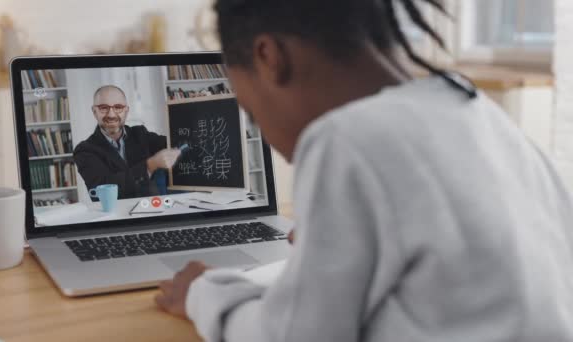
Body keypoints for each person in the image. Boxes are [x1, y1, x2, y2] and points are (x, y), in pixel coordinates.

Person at [155, 1, 573, 341]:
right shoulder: (478, 112)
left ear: (269, 56)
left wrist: (204, 293)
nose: (269, 140)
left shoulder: (344, 138)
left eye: (251, 112)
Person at [74, 85, 181, 200]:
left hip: (152, 209)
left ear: (126, 111)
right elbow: (103, 189)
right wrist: (150, 166)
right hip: (116, 216)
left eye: (118, 107)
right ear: (94, 111)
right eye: (103, 107)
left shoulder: (140, 134)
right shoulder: (84, 150)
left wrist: (197, 107)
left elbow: (177, 142)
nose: (111, 114)